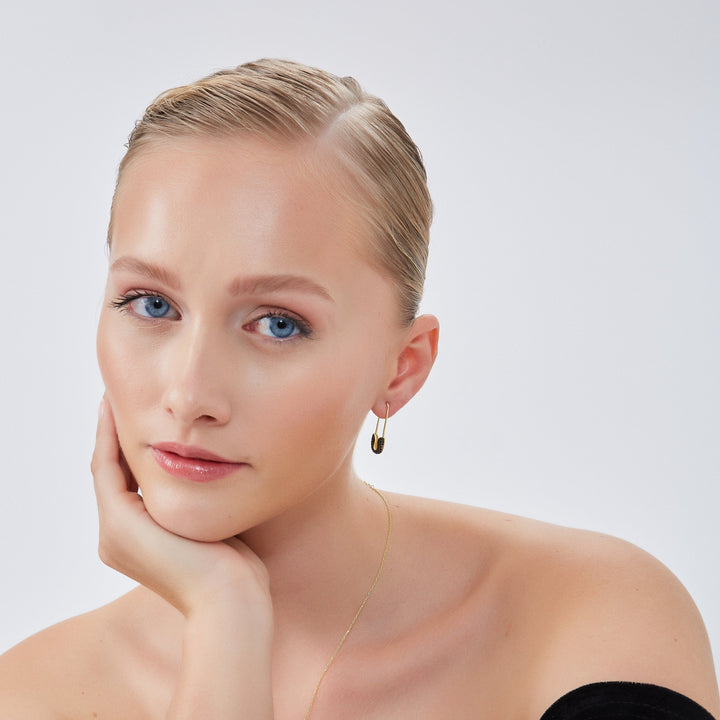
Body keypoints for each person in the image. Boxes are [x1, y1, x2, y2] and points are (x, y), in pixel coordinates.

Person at [0, 58, 717, 720]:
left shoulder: (587, 617)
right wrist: (224, 615)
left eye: (278, 323)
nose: (189, 396)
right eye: (152, 305)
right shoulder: (31, 696)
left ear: (401, 368)